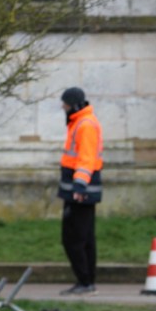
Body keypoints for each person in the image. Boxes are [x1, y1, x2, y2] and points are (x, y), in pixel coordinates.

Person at [59, 86, 103, 295]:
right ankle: (87, 281)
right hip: (81, 189)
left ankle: (85, 281)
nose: (63, 107)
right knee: (85, 238)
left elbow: (86, 159)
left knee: (74, 239)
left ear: (74, 105)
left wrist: (79, 186)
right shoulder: (81, 122)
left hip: (80, 191)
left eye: (65, 104)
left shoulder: (84, 125)